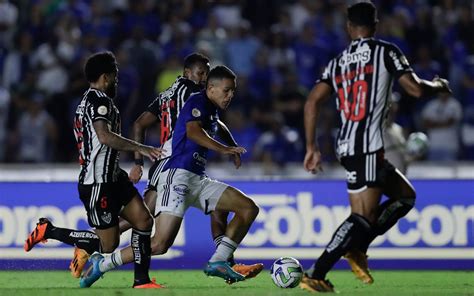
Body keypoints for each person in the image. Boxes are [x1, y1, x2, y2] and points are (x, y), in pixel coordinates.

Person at [24, 53, 262, 280]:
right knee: (139, 237)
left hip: (158, 165)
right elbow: (207, 122)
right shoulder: (195, 93)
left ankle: (223, 261)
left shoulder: (167, 94)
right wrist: (227, 147)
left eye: (207, 75)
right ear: (188, 73)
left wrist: (138, 162)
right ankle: (87, 245)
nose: (204, 79)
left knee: (146, 220)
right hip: (168, 163)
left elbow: (139, 123)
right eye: (201, 74)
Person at [302, 2, 452, 293]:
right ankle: (316, 272)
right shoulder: (386, 51)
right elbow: (415, 88)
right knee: (362, 217)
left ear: (349, 27)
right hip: (367, 145)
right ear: (376, 24)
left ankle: (357, 249)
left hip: (347, 144)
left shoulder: (337, 62)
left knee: (405, 197)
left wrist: (311, 146)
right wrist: (438, 85)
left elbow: (311, 101)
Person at [80, 65, 260, 287]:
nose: (230, 95)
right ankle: (103, 263)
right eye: (226, 90)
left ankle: (219, 261)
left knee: (248, 208)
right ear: (211, 88)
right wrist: (224, 149)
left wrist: (231, 144)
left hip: (198, 178)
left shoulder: (210, 110)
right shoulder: (197, 99)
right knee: (159, 244)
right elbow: (193, 131)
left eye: (233, 91)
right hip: (177, 176)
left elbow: (216, 125)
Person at [24, 51, 165, 289]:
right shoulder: (98, 102)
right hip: (98, 182)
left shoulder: (89, 102)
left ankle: (141, 281)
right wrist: (141, 148)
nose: (117, 81)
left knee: (143, 220)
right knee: (108, 245)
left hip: (114, 177)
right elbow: (104, 136)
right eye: (115, 75)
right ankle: (48, 230)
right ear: (106, 77)